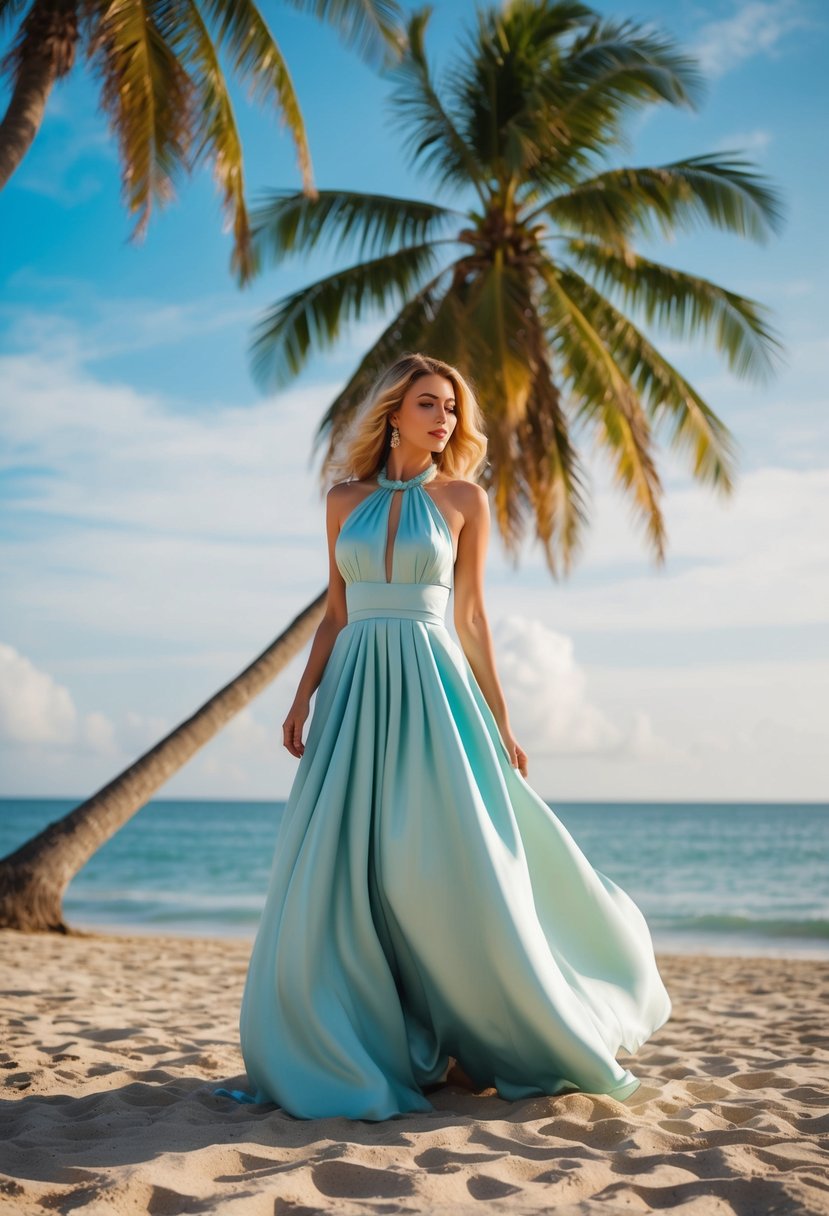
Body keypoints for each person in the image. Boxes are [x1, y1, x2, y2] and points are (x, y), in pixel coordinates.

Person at [214, 352, 672, 1121]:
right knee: (344, 863)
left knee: (442, 860)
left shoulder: (464, 499)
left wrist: (499, 718)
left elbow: (470, 617)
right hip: (355, 689)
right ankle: (359, 1032)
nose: (444, 419)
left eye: (452, 409)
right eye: (428, 403)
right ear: (393, 412)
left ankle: (507, 1015)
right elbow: (335, 612)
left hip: (431, 687)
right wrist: (300, 699)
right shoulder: (341, 499)